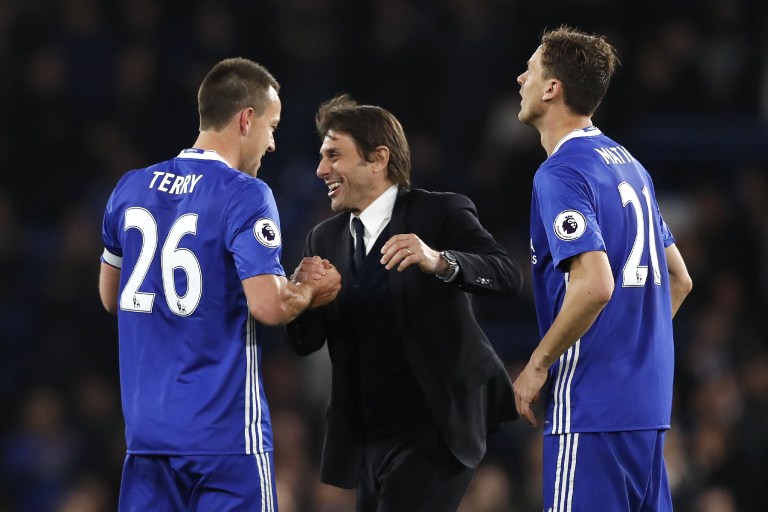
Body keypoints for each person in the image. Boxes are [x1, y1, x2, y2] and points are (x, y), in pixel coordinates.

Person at [98, 57, 341, 512]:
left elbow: (110, 297)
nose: (272, 144)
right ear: (246, 119)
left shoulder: (129, 188)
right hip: (225, 440)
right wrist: (308, 290)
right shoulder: (245, 194)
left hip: (148, 439)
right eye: (273, 126)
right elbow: (269, 307)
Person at [285, 94, 523, 512]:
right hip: (371, 437)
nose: (322, 169)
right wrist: (303, 300)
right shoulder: (323, 238)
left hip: (437, 427)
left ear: (378, 159)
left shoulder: (438, 213)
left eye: (335, 155)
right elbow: (306, 342)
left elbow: (506, 276)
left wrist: (441, 261)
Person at [512, 26, 693, 511]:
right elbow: (680, 279)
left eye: (529, 70)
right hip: (649, 408)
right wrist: (628, 346)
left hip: (590, 408)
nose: (520, 78)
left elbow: (594, 285)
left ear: (552, 88)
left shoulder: (561, 172)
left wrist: (538, 364)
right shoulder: (631, 165)